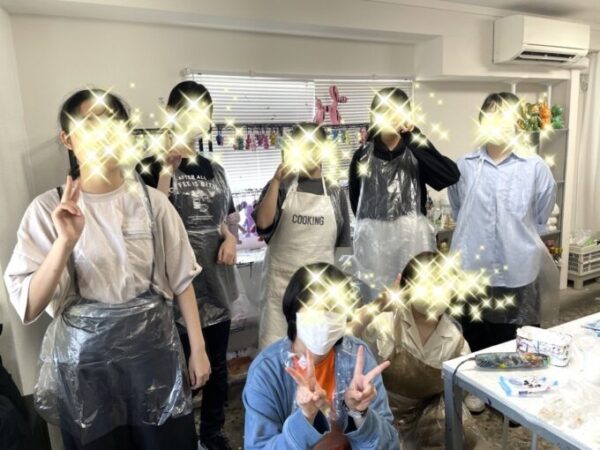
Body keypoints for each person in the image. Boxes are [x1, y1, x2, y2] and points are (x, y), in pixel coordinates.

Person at [3, 89, 210, 449]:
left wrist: (199, 348)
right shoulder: (46, 210)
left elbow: (182, 280)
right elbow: (29, 307)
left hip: (153, 358)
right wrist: (64, 242)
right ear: (68, 139)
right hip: (87, 370)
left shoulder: (154, 204)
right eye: (89, 124)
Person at [138, 80, 238, 450]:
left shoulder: (214, 169)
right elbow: (148, 221)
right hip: (173, 289)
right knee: (177, 371)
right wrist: (166, 170)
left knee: (217, 366)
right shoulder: (148, 168)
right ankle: (183, 438)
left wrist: (230, 238)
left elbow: (227, 219)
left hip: (216, 282)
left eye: (204, 113)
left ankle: (212, 433)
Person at [243, 263, 399, 449]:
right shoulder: (267, 371)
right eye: (314, 307)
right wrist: (306, 419)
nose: (325, 318)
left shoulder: (357, 357)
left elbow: (389, 443)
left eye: (336, 309)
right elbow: (258, 446)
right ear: (294, 311)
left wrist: (360, 415)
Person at [448, 92, 558, 352]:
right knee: (474, 345)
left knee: (518, 346)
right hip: (472, 273)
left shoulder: (535, 168)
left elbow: (540, 216)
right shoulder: (464, 167)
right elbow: (459, 210)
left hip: (519, 272)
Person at [351, 252, 487, 449]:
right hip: (380, 411)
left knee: (464, 434)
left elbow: (460, 392)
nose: (433, 292)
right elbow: (345, 337)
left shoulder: (456, 342)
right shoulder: (386, 324)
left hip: (427, 419)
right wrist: (380, 303)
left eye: (441, 283)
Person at [348, 87, 460, 302]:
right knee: (378, 305)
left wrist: (413, 136)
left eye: (397, 111)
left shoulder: (416, 151)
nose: (391, 116)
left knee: (415, 300)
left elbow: (450, 175)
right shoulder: (361, 156)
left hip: (413, 241)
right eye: (385, 110)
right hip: (374, 249)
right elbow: (357, 204)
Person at [253, 123, 351, 349]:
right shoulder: (281, 186)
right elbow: (263, 224)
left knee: (317, 353)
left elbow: (342, 250)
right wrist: (276, 181)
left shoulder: (336, 193)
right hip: (280, 289)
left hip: (320, 293)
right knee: (276, 354)